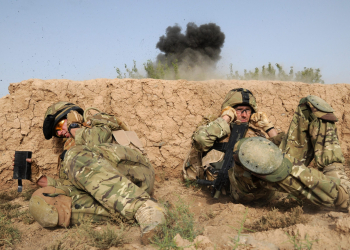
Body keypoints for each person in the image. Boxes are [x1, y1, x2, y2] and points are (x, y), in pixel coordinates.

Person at [185, 89, 350, 211]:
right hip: (238, 188)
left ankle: (336, 175)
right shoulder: (213, 130)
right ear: (228, 110)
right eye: (238, 110)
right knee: (248, 150)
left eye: (247, 110)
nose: (243, 114)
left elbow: (285, 150)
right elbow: (200, 140)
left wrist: (268, 127)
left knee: (311, 104)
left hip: (268, 183)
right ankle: (339, 199)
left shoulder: (255, 132)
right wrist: (226, 118)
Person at [27, 102, 166, 245]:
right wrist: (39, 178)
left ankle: (144, 207)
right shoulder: (70, 152)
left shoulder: (95, 120)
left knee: (74, 155)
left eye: (58, 126)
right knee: (43, 201)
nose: (59, 133)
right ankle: (145, 212)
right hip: (114, 194)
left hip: (135, 173)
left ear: (71, 114)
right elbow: (72, 187)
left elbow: (94, 141)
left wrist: (74, 127)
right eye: (57, 133)